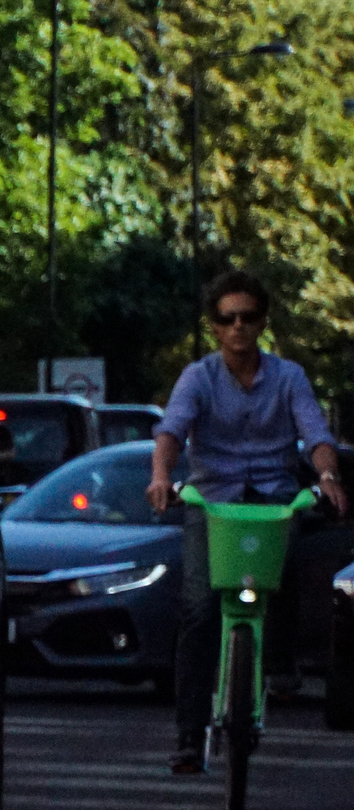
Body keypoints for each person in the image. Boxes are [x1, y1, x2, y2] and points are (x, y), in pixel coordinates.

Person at [147, 269, 345, 773]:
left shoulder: (289, 377)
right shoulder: (198, 377)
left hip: (272, 501)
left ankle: (280, 660)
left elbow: (315, 433)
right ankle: (190, 735)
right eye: (227, 318)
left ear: (262, 322)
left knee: (287, 569)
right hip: (212, 504)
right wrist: (161, 477)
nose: (238, 326)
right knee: (197, 610)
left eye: (248, 317)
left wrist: (327, 476)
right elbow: (172, 429)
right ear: (213, 326)